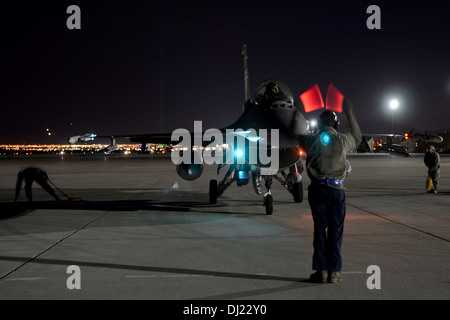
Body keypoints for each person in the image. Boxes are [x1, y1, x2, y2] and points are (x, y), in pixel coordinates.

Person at [297, 99, 362, 283]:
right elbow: (357, 138)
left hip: (317, 190)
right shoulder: (342, 140)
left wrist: (299, 111)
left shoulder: (313, 140)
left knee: (319, 230)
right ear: (336, 124)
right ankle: (334, 272)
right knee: (336, 230)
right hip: (336, 190)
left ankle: (320, 271)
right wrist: (349, 113)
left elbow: (298, 132)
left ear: (320, 123)